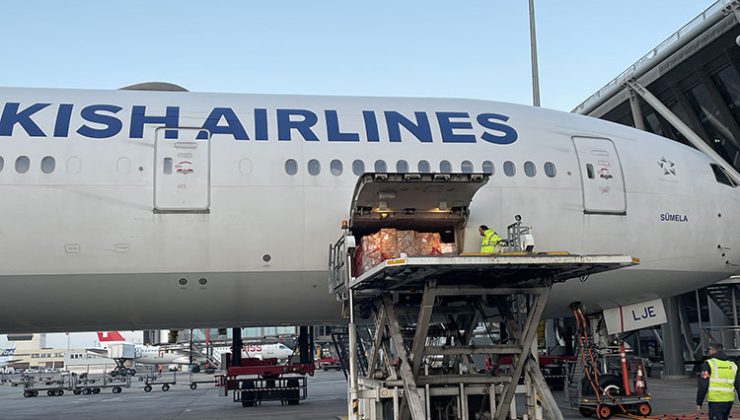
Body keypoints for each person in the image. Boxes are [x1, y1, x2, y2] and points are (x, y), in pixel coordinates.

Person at [696, 343, 740, 419]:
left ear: (712, 350)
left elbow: (703, 384)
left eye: (709, 350)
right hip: (728, 401)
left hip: (715, 401)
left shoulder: (709, 364)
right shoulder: (733, 365)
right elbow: (739, 385)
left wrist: (699, 402)